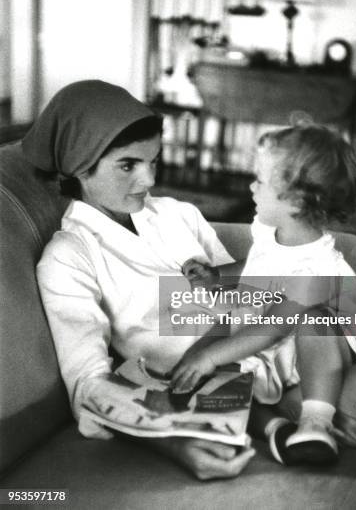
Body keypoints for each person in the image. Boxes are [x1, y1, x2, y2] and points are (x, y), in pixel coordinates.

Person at [22, 79, 255, 480]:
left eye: (153, 161)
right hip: (229, 385)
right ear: (80, 166)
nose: (148, 181)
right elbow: (88, 381)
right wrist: (172, 443)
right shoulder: (69, 258)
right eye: (128, 165)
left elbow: (248, 295)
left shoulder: (180, 214)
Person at [171, 124, 356, 466]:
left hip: (322, 351)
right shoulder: (269, 229)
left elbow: (271, 327)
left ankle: (316, 422)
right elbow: (258, 264)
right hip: (274, 346)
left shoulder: (317, 270)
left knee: (313, 321)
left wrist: (210, 355)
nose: (251, 186)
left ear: (295, 201)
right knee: (208, 375)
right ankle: (276, 429)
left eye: (261, 180)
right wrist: (217, 277)